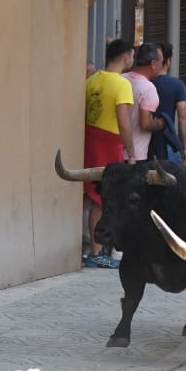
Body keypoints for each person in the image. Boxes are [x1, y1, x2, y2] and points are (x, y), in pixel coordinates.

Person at [81, 38, 135, 268]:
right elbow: (123, 122)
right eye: (132, 55)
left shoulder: (92, 80)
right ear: (126, 57)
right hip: (109, 143)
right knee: (101, 199)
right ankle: (96, 252)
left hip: (89, 139)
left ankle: (89, 248)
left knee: (89, 196)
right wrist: (131, 152)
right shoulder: (121, 84)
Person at [123, 43, 166, 167]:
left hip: (116, 151)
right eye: (161, 62)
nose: (162, 66)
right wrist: (160, 123)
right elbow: (145, 124)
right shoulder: (148, 88)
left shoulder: (122, 78)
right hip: (136, 155)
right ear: (153, 64)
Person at [148, 41, 186, 165]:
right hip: (167, 142)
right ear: (168, 61)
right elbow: (183, 117)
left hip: (144, 142)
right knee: (173, 181)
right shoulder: (177, 85)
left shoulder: (145, 83)